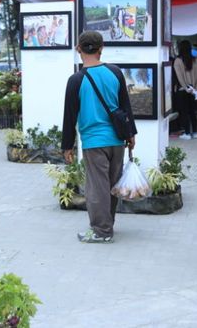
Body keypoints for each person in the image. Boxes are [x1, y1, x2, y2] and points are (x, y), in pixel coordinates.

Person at [61, 31, 137, 243]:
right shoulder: (115, 72)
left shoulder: (75, 80)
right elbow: (126, 106)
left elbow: (70, 115)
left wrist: (67, 146)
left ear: (79, 49)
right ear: (101, 48)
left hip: (94, 142)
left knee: (97, 188)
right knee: (112, 185)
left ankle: (101, 231)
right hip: (117, 140)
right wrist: (131, 134)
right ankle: (107, 225)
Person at [173, 40, 197, 140]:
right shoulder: (196, 60)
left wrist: (186, 88)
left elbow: (179, 76)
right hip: (194, 91)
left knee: (184, 112)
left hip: (183, 90)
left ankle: (186, 133)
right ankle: (195, 132)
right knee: (192, 111)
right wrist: (195, 88)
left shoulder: (178, 61)